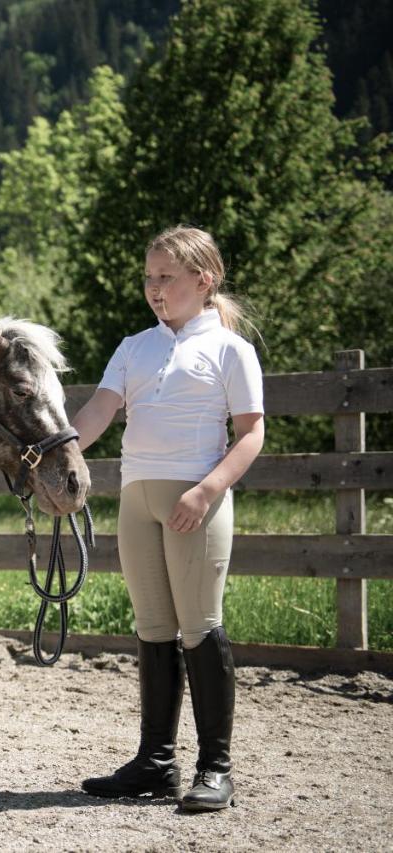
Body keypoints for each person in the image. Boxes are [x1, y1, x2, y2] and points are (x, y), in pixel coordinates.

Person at [71, 225, 264, 812]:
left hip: (194, 501)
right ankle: (155, 762)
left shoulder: (231, 350)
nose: (155, 289)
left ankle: (215, 768)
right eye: (149, 278)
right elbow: (100, 410)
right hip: (138, 498)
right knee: (153, 627)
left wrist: (207, 491)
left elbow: (251, 434)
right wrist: (54, 458)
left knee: (199, 624)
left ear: (203, 281)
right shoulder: (135, 347)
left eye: (167, 278)